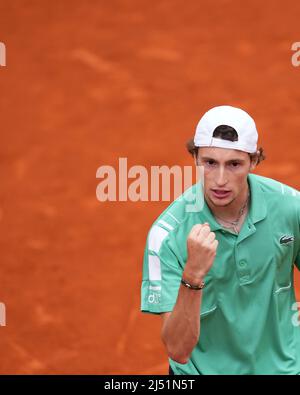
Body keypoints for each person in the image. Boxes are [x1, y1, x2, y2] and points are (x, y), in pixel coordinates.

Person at [140, 105, 300, 375]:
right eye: (210, 163)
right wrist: (193, 274)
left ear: (254, 161)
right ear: (195, 159)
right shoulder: (166, 235)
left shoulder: (290, 209)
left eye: (234, 164)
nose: (220, 180)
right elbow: (178, 350)